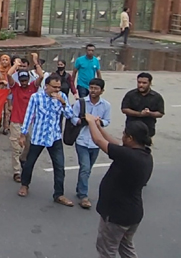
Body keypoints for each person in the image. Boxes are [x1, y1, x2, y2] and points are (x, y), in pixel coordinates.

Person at [85, 116, 153, 258]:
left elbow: (98, 141)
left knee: (106, 251)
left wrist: (90, 122)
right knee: (126, 247)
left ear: (130, 138)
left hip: (117, 215)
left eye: (124, 134)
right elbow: (115, 145)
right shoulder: (143, 154)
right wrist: (99, 127)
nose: (122, 136)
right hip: (132, 214)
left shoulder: (128, 156)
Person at [18, 74, 75, 206]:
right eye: (54, 87)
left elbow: (70, 115)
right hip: (38, 136)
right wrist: (23, 134)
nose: (56, 90)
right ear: (46, 86)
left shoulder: (62, 97)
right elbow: (29, 115)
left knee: (59, 166)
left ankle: (59, 194)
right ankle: (24, 185)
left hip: (54, 137)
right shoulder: (36, 97)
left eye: (59, 87)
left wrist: (63, 102)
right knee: (29, 163)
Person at [70, 78, 111, 209]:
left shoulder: (106, 105)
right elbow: (72, 117)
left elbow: (107, 120)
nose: (93, 91)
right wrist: (81, 121)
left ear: (102, 91)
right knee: (85, 167)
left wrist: (99, 123)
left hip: (96, 142)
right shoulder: (81, 103)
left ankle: (79, 187)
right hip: (82, 140)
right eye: (91, 88)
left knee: (87, 169)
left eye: (96, 88)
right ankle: (83, 196)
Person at [6, 58, 44, 183]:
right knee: (16, 147)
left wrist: (35, 62)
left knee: (28, 147)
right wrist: (16, 65)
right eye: (21, 80)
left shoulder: (33, 87)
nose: (23, 82)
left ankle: (23, 161)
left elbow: (41, 76)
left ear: (28, 80)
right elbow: (8, 75)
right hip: (16, 121)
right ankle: (17, 172)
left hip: (30, 122)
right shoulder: (16, 88)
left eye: (25, 80)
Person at [121, 72, 164, 138]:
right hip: (131, 129)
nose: (141, 85)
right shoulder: (130, 95)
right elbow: (124, 109)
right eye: (139, 82)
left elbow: (160, 113)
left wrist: (150, 113)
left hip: (148, 130)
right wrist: (139, 114)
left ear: (150, 83)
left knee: (145, 147)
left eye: (144, 83)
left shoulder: (156, 97)